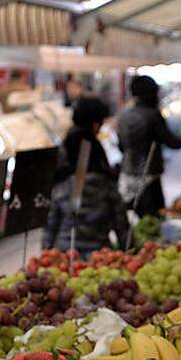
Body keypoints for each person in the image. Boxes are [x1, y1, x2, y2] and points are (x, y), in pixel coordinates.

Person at [44, 96, 129, 253]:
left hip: (65, 251)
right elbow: (120, 219)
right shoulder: (92, 149)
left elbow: (51, 219)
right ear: (96, 123)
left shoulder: (65, 146)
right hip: (99, 252)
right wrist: (129, 249)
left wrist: (46, 252)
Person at [116, 75, 181, 216]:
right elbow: (173, 143)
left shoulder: (123, 115)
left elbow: (121, 147)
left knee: (139, 223)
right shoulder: (152, 115)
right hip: (149, 178)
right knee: (156, 221)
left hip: (126, 177)